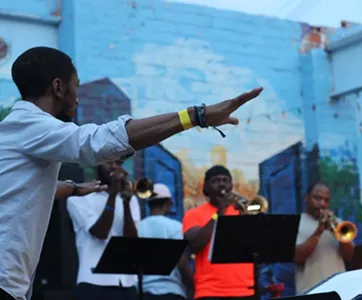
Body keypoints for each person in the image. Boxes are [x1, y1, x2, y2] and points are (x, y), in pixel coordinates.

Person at [0, 46, 263, 300]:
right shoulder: (31, 126)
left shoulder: (17, 130)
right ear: (58, 87)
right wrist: (197, 116)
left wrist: (75, 188)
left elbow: (22, 190)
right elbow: (98, 141)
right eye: (76, 86)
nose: (77, 97)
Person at [67, 160, 141, 300]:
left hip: (126, 283)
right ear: (97, 164)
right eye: (108, 162)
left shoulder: (130, 199)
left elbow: (131, 240)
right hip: (93, 282)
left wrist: (126, 202)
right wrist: (112, 195)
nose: (114, 166)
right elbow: (100, 232)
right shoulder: (79, 198)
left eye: (118, 163)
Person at [182, 165, 253, 300]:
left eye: (225, 180)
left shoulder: (242, 211)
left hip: (246, 290)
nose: (221, 184)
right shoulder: (194, 214)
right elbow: (194, 245)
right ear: (206, 188)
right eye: (216, 181)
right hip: (211, 292)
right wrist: (220, 212)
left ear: (231, 185)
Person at [294, 183, 355, 295]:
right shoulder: (297, 223)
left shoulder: (338, 222)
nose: (322, 204)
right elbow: (298, 257)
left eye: (326, 200)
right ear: (306, 198)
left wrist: (340, 238)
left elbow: (350, 256)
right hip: (310, 292)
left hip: (339, 292)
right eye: (317, 198)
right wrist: (319, 231)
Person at [137, 183, 193, 300]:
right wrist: (193, 286)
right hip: (171, 291)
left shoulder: (137, 228)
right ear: (168, 203)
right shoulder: (175, 227)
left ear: (149, 204)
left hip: (144, 292)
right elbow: (182, 262)